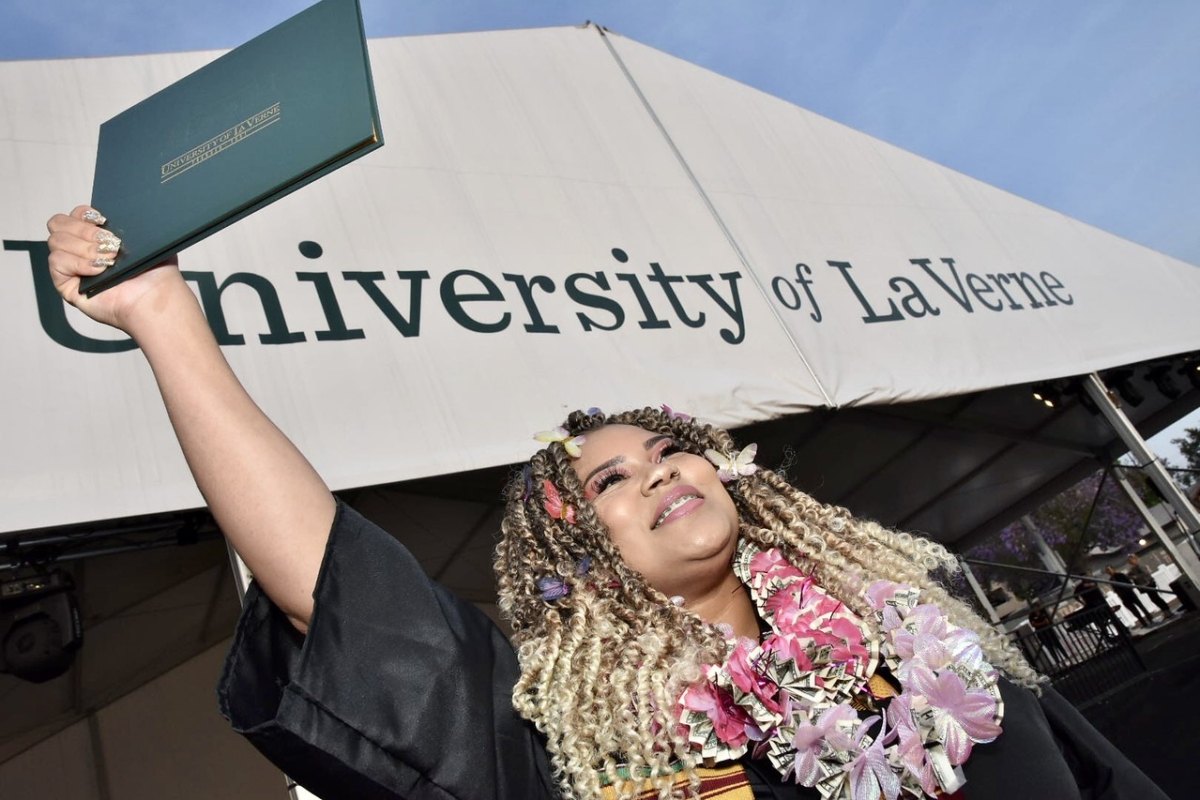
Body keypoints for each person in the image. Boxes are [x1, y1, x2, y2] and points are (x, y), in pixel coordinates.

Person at [46, 207, 1169, 800]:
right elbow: (335, 581)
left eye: (670, 448)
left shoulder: (918, 615)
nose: (659, 471)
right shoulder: (583, 747)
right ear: (580, 561)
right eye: (611, 481)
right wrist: (165, 317)